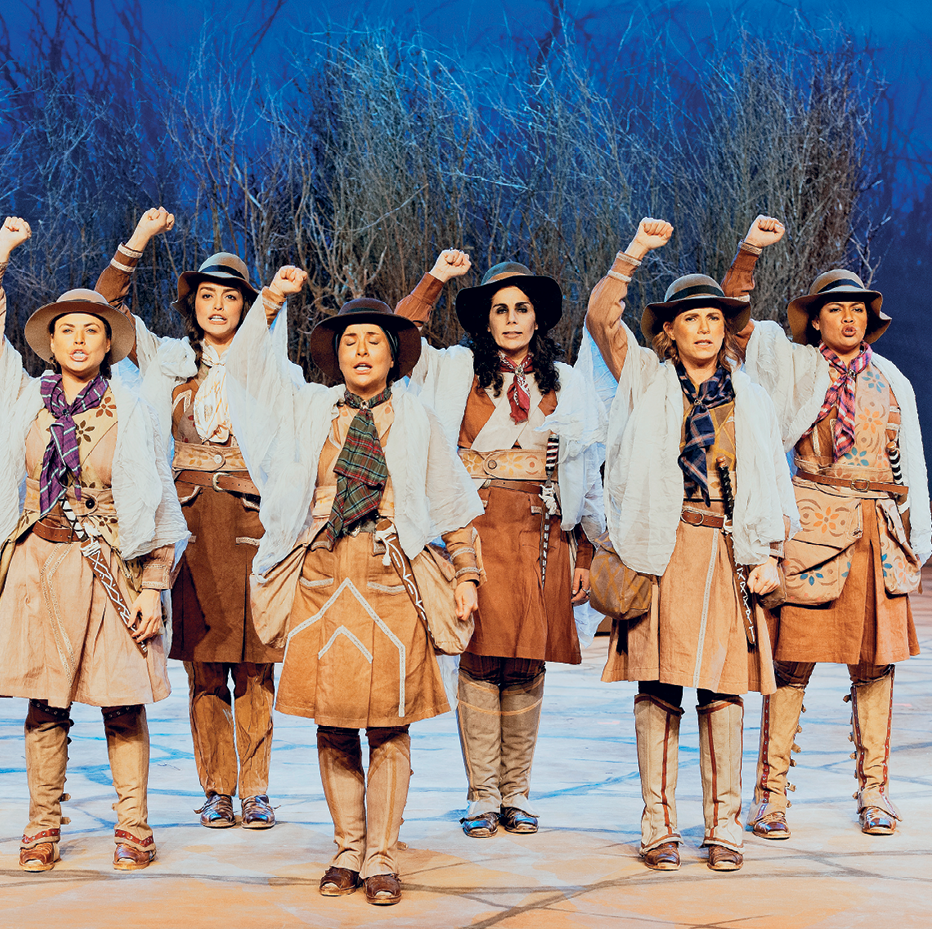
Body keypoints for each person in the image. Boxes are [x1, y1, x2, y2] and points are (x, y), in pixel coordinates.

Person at [225, 269, 483, 905]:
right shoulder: (308, 409)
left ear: (394, 354)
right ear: (334, 355)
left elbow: (452, 501)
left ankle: (382, 854)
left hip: (394, 578)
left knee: (391, 725)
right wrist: (270, 301)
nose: (362, 350)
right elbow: (246, 373)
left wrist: (468, 574)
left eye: (374, 340)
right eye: (349, 342)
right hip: (321, 577)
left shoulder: (418, 416)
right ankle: (345, 848)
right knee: (333, 724)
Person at [0, 217, 188, 872]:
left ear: (108, 341)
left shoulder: (133, 406)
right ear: (52, 341)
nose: (81, 338)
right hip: (40, 566)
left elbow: (162, 504)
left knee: (121, 700)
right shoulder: (26, 398)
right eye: (68, 329)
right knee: (45, 701)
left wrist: (153, 585)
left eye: (93, 328)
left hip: (113, 566)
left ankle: (134, 823)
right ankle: (42, 823)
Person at [584, 217, 796, 872]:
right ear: (669, 328)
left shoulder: (751, 397)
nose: (703, 327)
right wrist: (636, 252)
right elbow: (600, 317)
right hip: (662, 545)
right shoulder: (646, 379)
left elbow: (770, 479)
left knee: (724, 690)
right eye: (689, 318)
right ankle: (657, 822)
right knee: (658, 686)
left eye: (713, 318)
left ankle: (724, 823)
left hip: (726, 551)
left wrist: (769, 554)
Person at [722, 216, 929, 838]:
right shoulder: (793, 367)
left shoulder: (893, 380)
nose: (848, 319)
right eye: (836, 309)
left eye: (857, 310)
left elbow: (912, 462)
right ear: (815, 318)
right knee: (791, 667)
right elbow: (734, 325)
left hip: (878, 537)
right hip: (813, 530)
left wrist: (917, 536)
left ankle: (875, 792)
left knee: (876, 668)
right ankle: (772, 795)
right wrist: (750, 253)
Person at [396, 251, 603, 837]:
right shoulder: (454, 370)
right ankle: (481, 795)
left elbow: (589, 472)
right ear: (484, 321)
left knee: (528, 663)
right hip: (475, 531)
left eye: (522, 308)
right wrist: (434, 277)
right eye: (499, 309)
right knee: (481, 659)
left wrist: (585, 552)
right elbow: (401, 337)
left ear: (538, 318)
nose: (511, 318)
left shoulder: (569, 385)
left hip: (543, 534)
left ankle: (517, 793)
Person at [94, 209, 287, 830]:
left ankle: (255, 787)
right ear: (193, 305)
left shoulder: (269, 372)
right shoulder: (166, 361)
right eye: (207, 295)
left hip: (252, 529)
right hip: (188, 534)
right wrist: (139, 239)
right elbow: (102, 306)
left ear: (248, 308)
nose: (217, 306)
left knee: (256, 665)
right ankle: (217, 788)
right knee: (205, 666)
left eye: (231, 297)